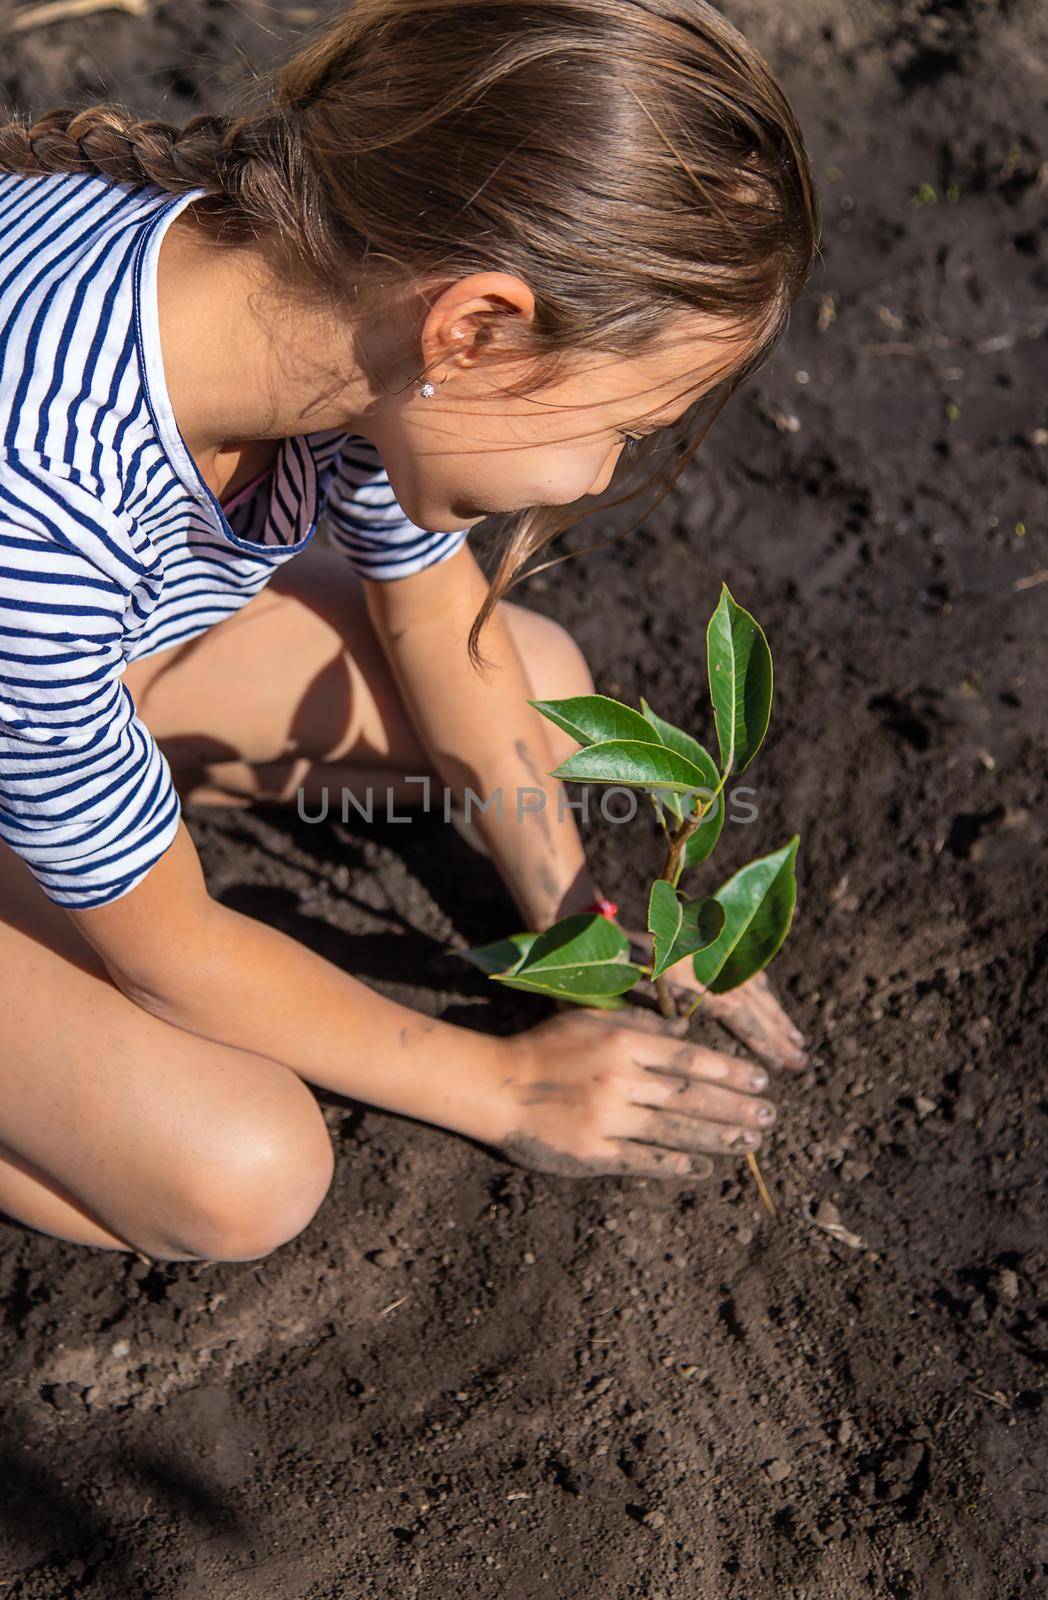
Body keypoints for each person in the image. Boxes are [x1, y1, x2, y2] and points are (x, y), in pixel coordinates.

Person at [0, 0, 817, 1263]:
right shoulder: (41, 504)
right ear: (477, 328)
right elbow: (174, 957)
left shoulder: (340, 298)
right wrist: (506, 1086)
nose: (601, 477)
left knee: (532, 681)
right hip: (38, 638)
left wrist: (589, 930)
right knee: (238, 1169)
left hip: (69, 669)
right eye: (623, 429)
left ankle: (71, 812)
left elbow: (440, 625)